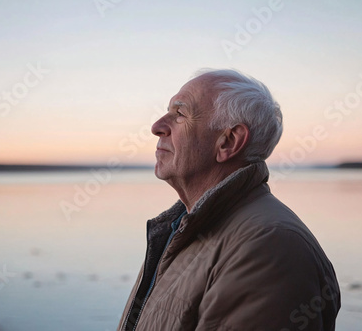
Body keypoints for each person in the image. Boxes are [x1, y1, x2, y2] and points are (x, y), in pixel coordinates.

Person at [118, 69, 340, 331]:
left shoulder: (270, 246)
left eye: (179, 114)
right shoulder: (183, 227)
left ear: (229, 142)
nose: (157, 127)